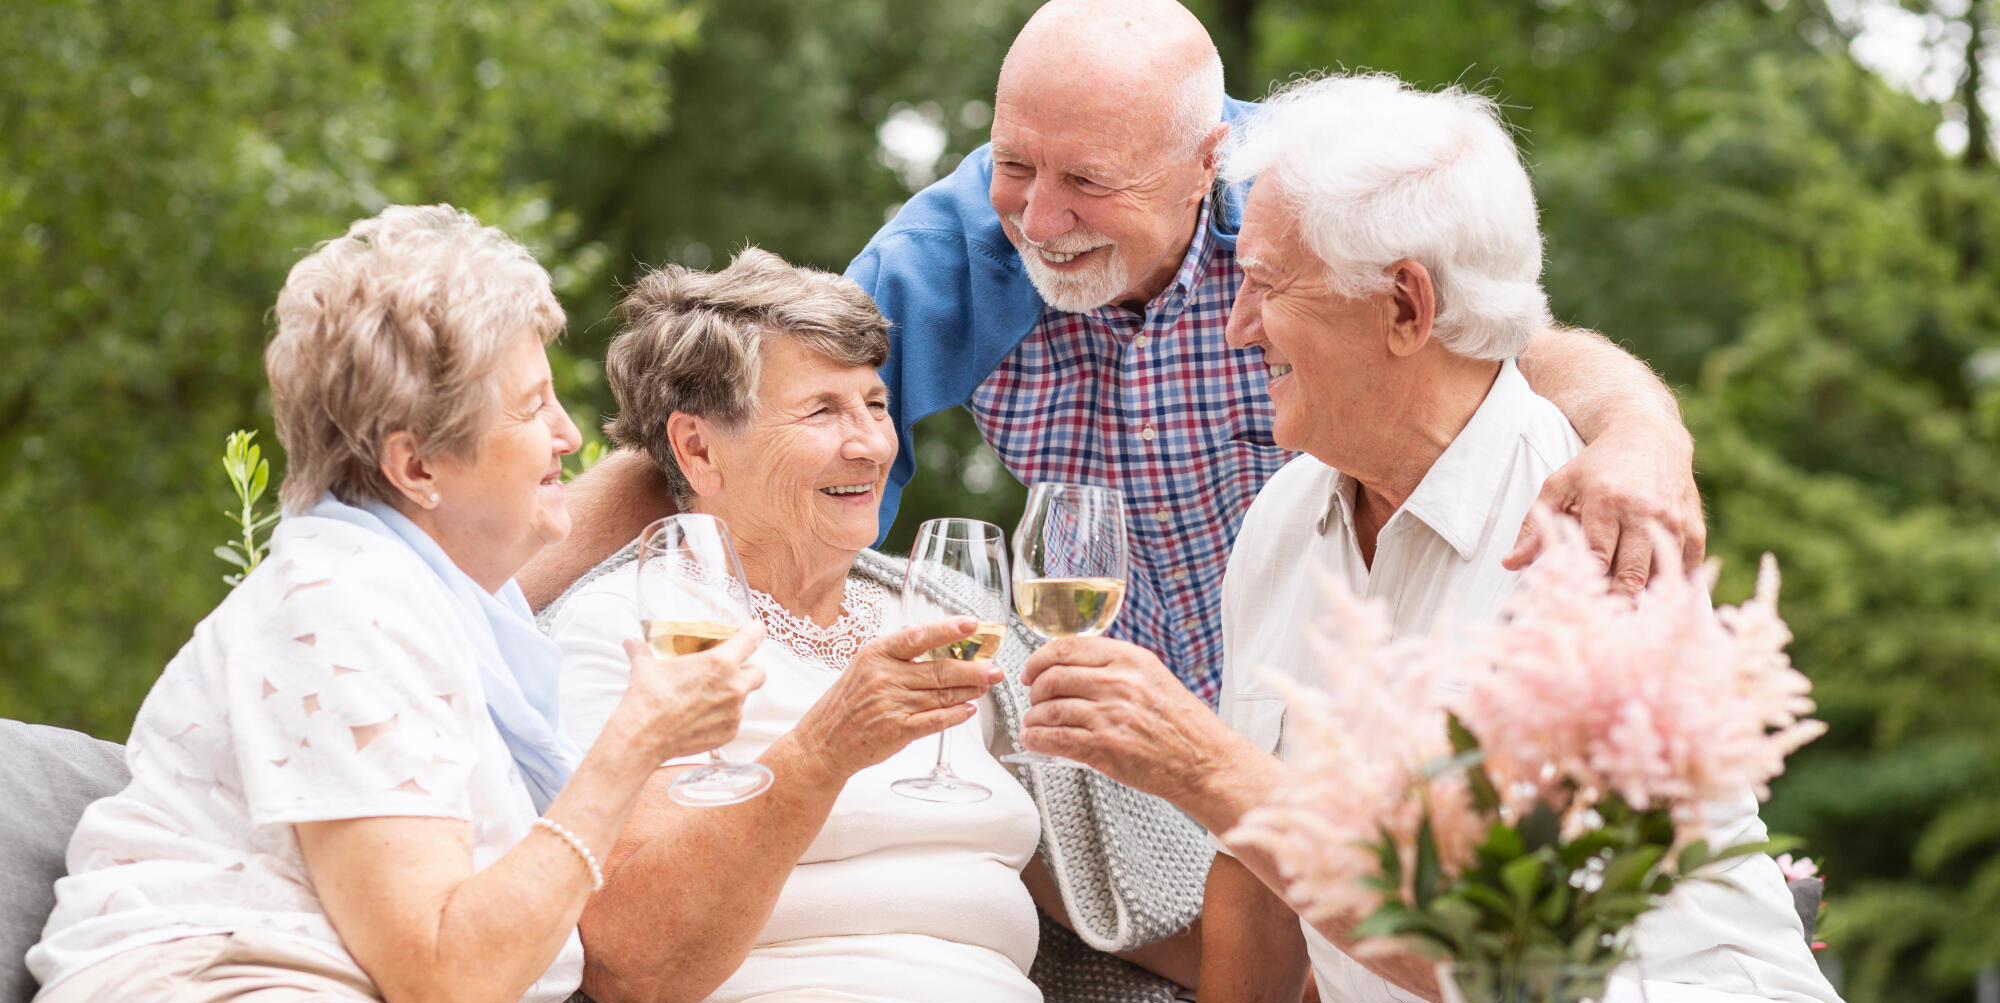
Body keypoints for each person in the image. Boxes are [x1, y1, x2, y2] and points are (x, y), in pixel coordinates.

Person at [1013, 75, 1873, 1003]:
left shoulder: (1580, 529)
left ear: (1405, 306)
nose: (1234, 324)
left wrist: (1206, 768)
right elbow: (1256, 884)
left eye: (1264, 287)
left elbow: (1505, 958)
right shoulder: (1283, 520)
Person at [0, 206, 879, 1003]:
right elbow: (446, 981)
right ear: (418, 466)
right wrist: (633, 746)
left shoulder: (469, 621)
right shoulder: (335, 600)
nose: (571, 437)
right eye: (531, 408)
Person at [524, 0, 1706, 710]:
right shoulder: (965, 245)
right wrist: (491, 609)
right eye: (1013, 166)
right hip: (1123, 751)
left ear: (1207, 158)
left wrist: (1644, 438)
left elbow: (1518, 348)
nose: (1039, 220)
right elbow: (734, 426)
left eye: (1088, 182)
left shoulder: (1298, 211)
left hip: (1340, 705)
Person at [543, 247, 1193, 1003]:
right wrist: (820, 750)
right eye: (821, 413)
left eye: (875, 405)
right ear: (699, 448)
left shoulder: (932, 613)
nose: (869, 445)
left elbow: (1128, 879)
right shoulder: (629, 625)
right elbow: (634, 956)